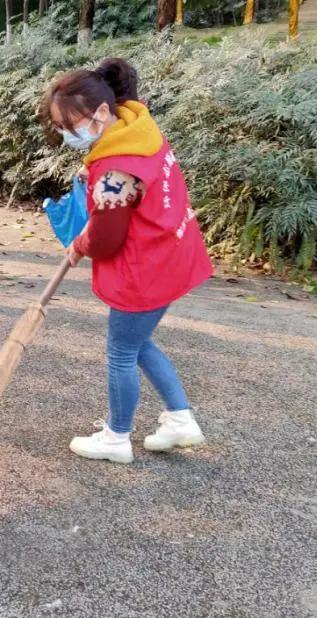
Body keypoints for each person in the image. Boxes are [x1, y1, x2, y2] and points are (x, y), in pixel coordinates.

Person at [42, 58, 213, 464]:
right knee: (138, 343)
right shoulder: (137, 128)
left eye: (70, 125)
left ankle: (117, 437)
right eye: (61, 128)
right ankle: (180, 419)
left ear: (102, 113)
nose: (68, 134)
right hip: (171, 254)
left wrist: (80, 244)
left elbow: (106, 238)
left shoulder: (114, 173)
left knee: (121, 351)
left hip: (146, 269)